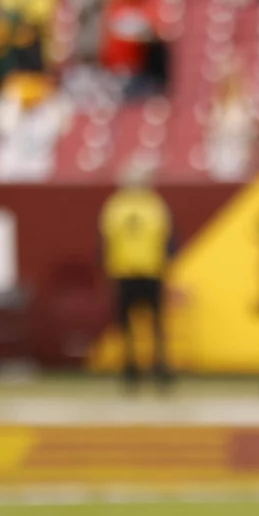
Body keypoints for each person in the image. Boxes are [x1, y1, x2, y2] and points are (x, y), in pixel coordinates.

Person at [99, 158, 175, 389]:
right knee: (136, 325)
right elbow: (168, 239)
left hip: (139, 271)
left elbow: (168, 239)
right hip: (135, 270)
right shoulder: (148, 206)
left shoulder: (119, 207)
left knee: (149, 325)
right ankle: (137, 366)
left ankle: (152, 366)